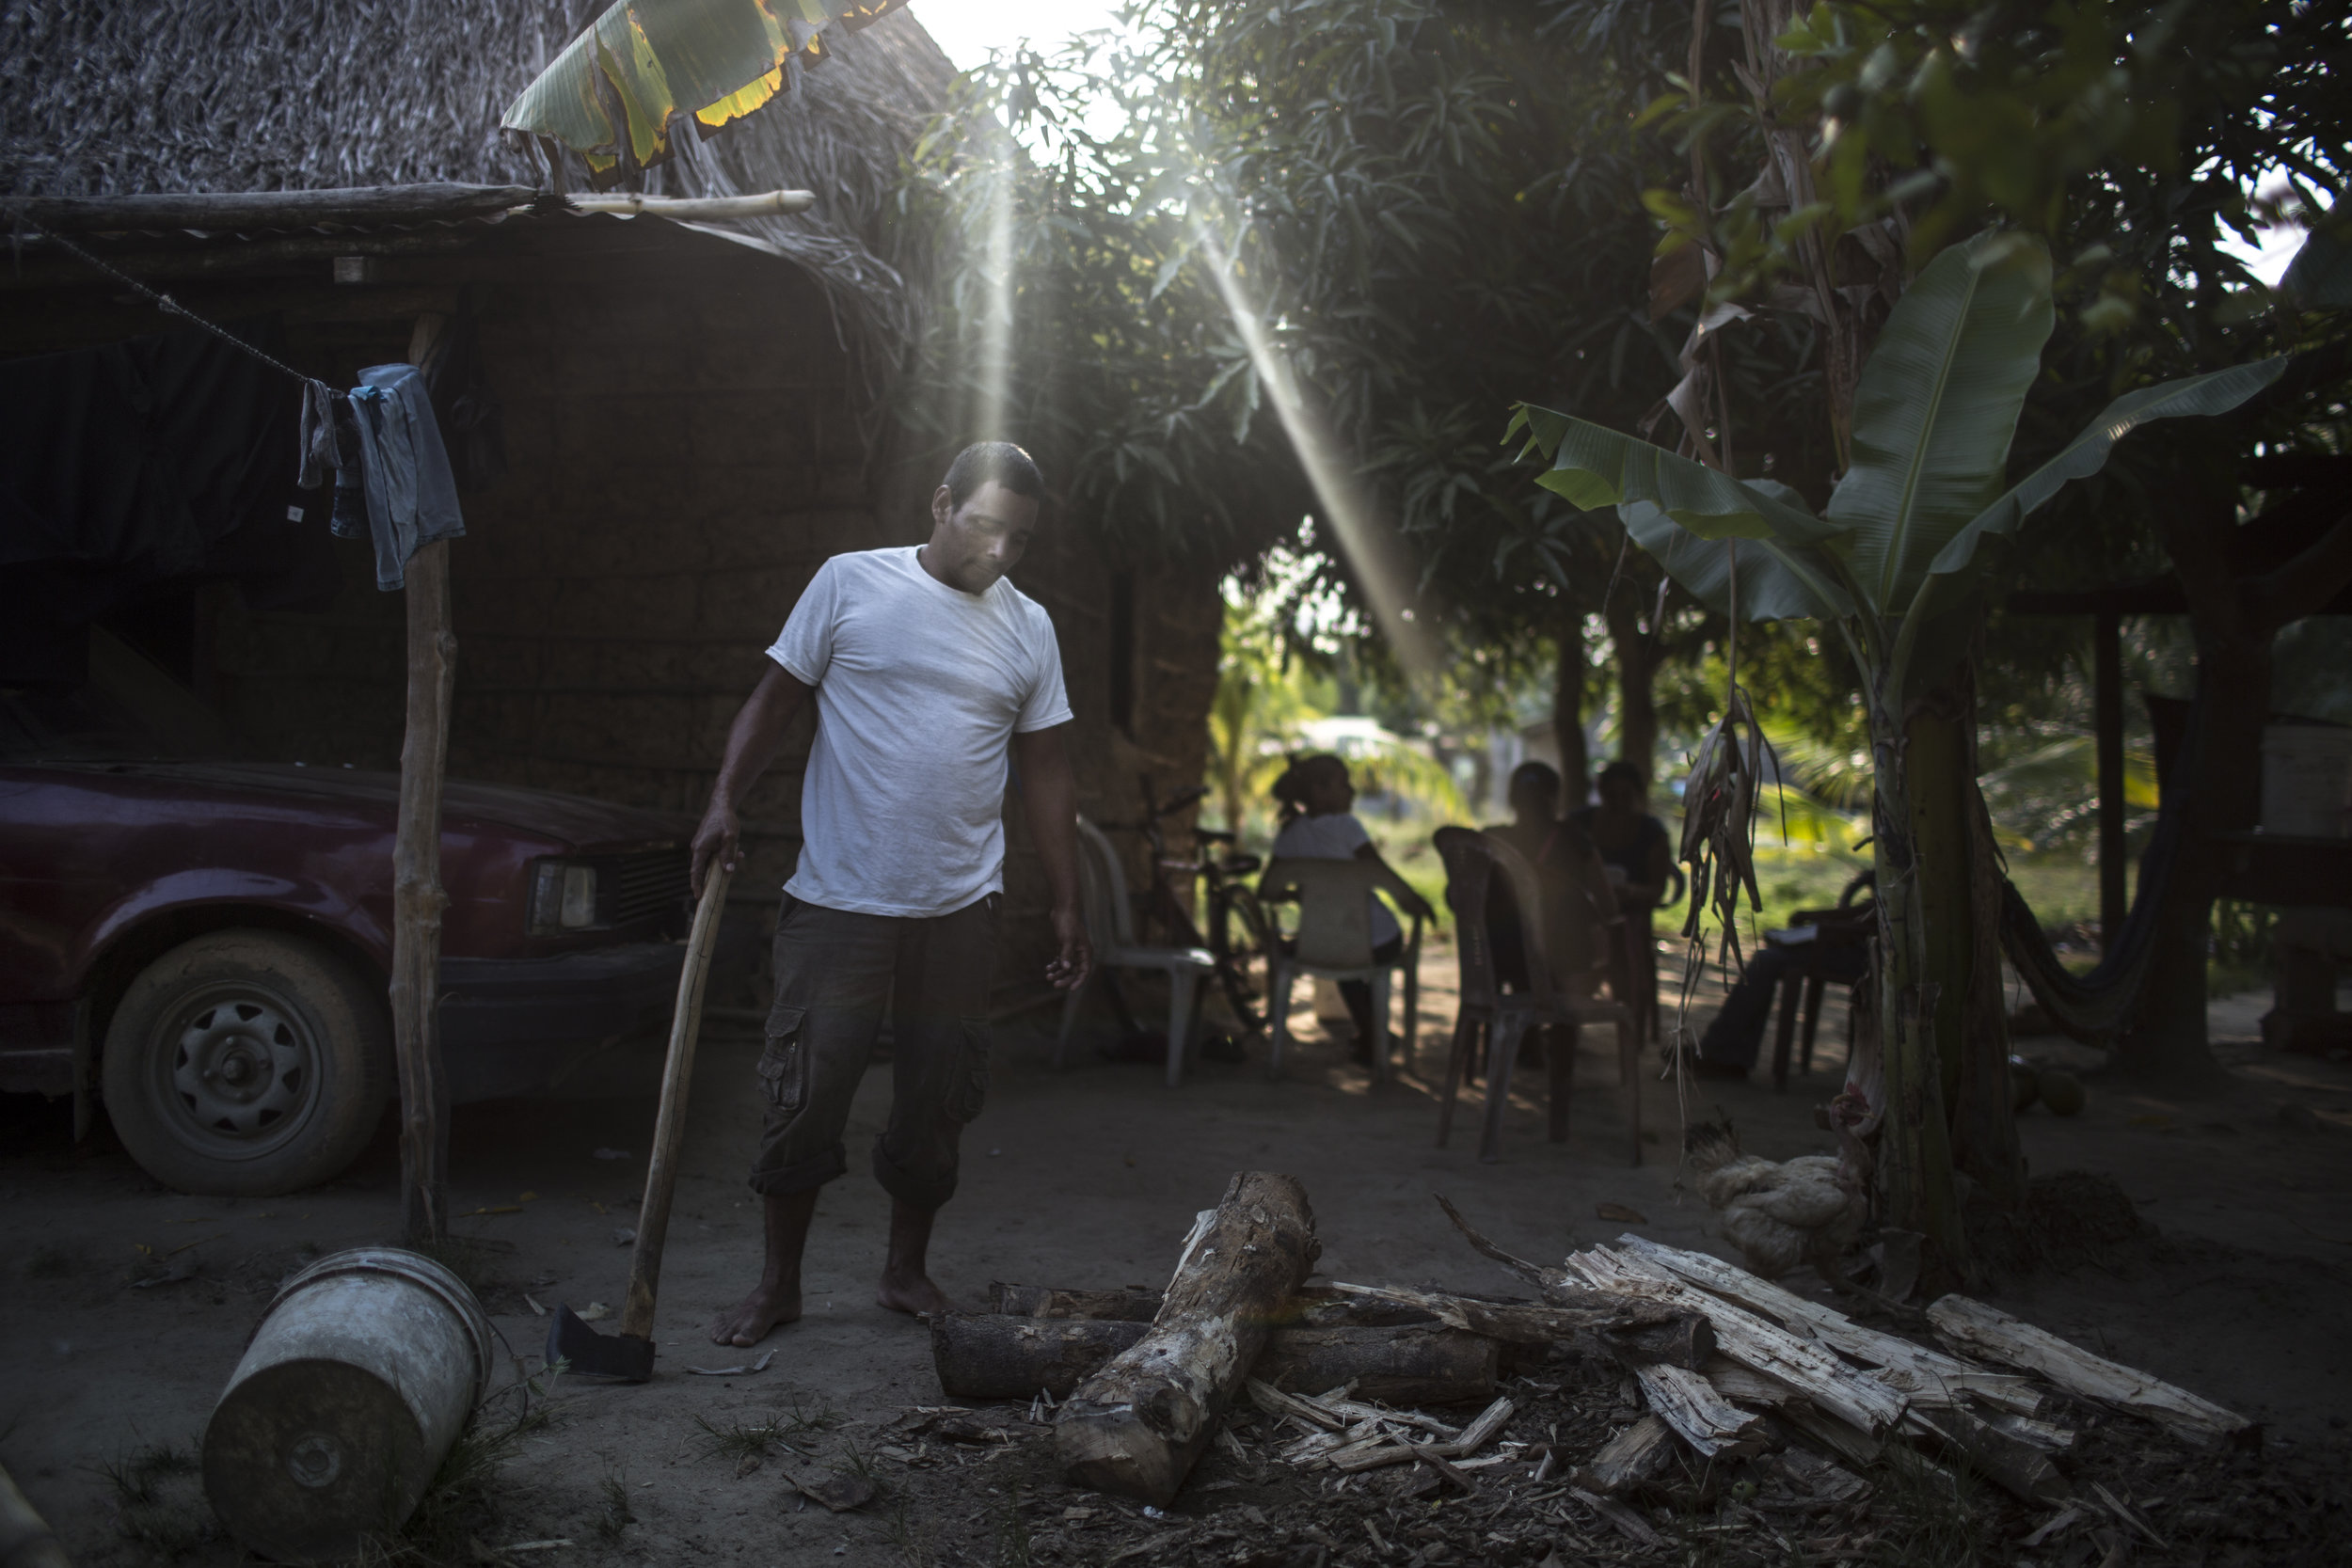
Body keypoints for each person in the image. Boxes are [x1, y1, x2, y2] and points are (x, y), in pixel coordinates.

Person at [692, 441, 1091, 1348]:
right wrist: (723, 799)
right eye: (986, 524)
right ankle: (779, 1285)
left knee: (938, 1097)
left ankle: (904, 1271)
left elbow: (1049, 773)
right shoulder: (850, 583)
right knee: (806, 1089)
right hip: (840, 898)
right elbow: (774, 699)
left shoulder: (1029, 627)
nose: (999, 550)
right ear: (943, 504)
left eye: (1019, 538)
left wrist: (1068, 902)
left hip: (959, 906)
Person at [1268, 753, 1437, 1062]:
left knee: (1343, 965)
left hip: (1320, 943)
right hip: (1379, 939)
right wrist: (1413, 900)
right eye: (1343, 784)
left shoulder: (1290, 834)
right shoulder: (1346, 826)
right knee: (1357, 962)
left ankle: (1371, 1035)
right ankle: (1375, 1036)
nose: (1352, 792)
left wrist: (1302, 895)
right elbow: (1379, 872)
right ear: (1320, 791)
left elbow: (1268, 889)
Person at [1484, 760, 1616, 995]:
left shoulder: (1490, 841)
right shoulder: (1575, 842)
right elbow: (1608, 907)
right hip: (1563, 965)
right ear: (1555, 797)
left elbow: (1457, 899)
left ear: (1512, 799)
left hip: (1498, 960)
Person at [1571, 760, 1677, 1042]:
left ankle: (1630, 1025)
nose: (1618, 803)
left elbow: (1657, 889)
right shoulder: (1579, 824)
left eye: (1625, 796)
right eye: (1611, 795)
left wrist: (1629, 892)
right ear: (1601, 793)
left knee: (1619, 938)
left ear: (1637, 796)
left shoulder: (1652, 833)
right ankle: (1565, 1015)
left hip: (1629, 916)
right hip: (1582, 914)